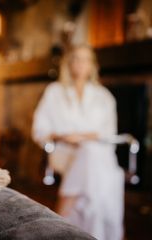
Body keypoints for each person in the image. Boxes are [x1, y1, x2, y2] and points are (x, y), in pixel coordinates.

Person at [32, 45, 124, 240]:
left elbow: (109, 135)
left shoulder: (104, 97)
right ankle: (100, 234)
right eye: (76, 59)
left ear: (92, 65)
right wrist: (61, 136)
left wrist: (88, 138)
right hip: (63, 152)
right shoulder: (54, 92)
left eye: (86, 59)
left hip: (96, 155)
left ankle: (62, 220)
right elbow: (39, 129)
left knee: (91, 155)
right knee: (103, 169)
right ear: (69, 63)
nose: (81, 64)